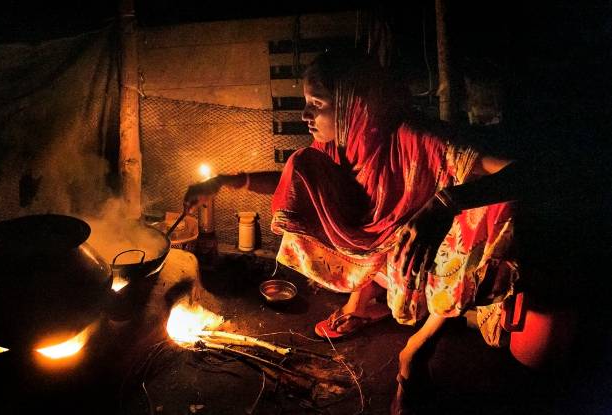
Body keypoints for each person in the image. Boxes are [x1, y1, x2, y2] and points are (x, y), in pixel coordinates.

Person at [184, 47, 527, 414]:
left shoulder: (415, 136)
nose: (305, 114)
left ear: (353, 105)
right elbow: (291, 182)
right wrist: (227, 181)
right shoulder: (339, 145)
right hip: (383, 246)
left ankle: (417, 351)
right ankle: (362, 303)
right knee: (304, 167)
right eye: (306, 102)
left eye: (317, 103)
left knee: (495, 209)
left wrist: (442, 206)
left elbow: (525, 173)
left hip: (425, 252)